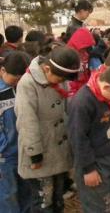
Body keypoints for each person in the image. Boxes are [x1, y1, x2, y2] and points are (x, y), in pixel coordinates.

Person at [15, 46, 80, 212]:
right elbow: (26, 121)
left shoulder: (60, 79)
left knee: (58, 198)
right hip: (40, 151)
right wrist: (34, 153)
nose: (61, 82)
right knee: (44, 201)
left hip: (58, 148)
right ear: (46, 68)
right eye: (59, 78)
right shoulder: (28, 83)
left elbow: (66, 109)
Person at [68, 63, 110, 213]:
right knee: (98, 205)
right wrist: (88, 169)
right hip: (94, 162)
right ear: (106, 86)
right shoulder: (82, 103)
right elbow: (78, 139)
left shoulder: (108, 96)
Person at [0, 51, 31, 213]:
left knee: (27, 192)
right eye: (15, 78)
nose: (18, 82)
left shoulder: (25, 88)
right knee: (7, 196)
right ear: (3, 71)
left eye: (22, 79)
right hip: (4, 156)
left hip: (24, 151)